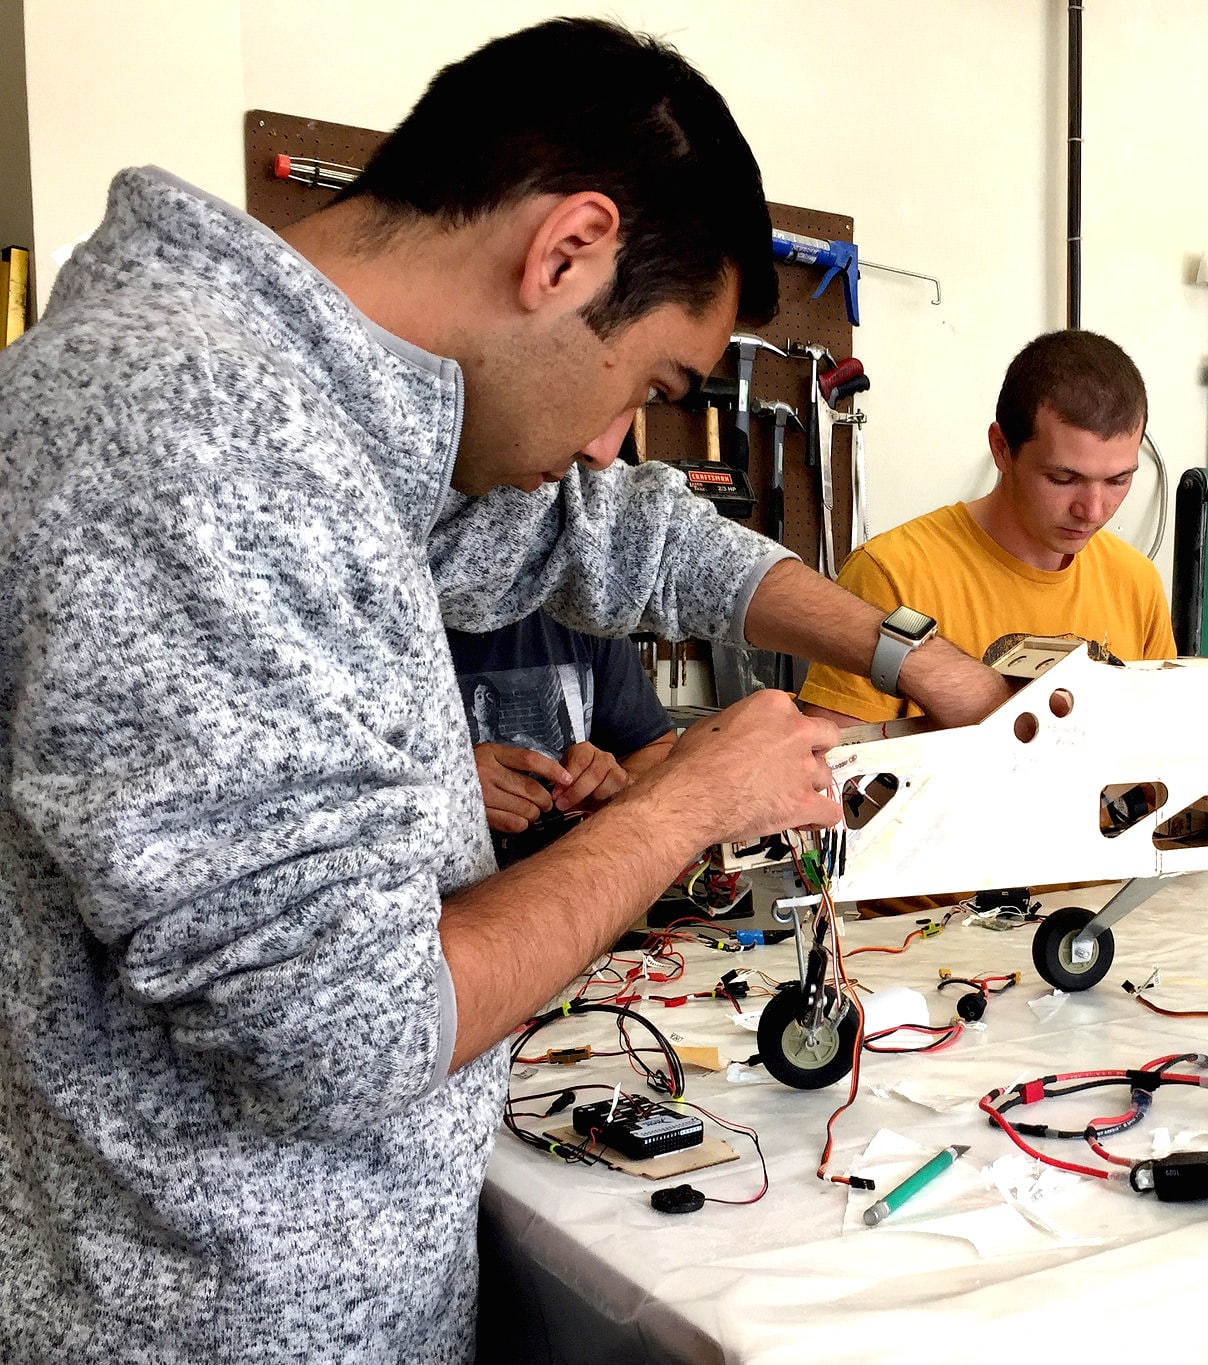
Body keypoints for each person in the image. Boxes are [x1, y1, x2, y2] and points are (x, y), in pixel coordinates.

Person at [0, 20, 1006, 1363]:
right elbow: (344, 1035)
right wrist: (679, 805)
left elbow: (631, 537)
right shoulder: (196, 433)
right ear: (565, 251)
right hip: (219, 1325)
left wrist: (910, 653)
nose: (613, 441)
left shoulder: (329, 415)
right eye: (648, 385)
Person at [800, 329, 1176, 726]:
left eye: (1118, 480)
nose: (1093, 511)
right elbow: (839, 774)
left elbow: (1159, 748)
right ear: (1001, 448)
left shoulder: (1137, 582)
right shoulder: (893, 575)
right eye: (1063, 479)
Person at [447, 611, 677, 865]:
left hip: (577, 882)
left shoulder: (582, 608)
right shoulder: (402, 611)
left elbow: (657, 748)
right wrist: (450, 787)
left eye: (490, 697)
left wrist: (623, 784)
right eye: (480, 697)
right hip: (436, 897)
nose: (486, 703)